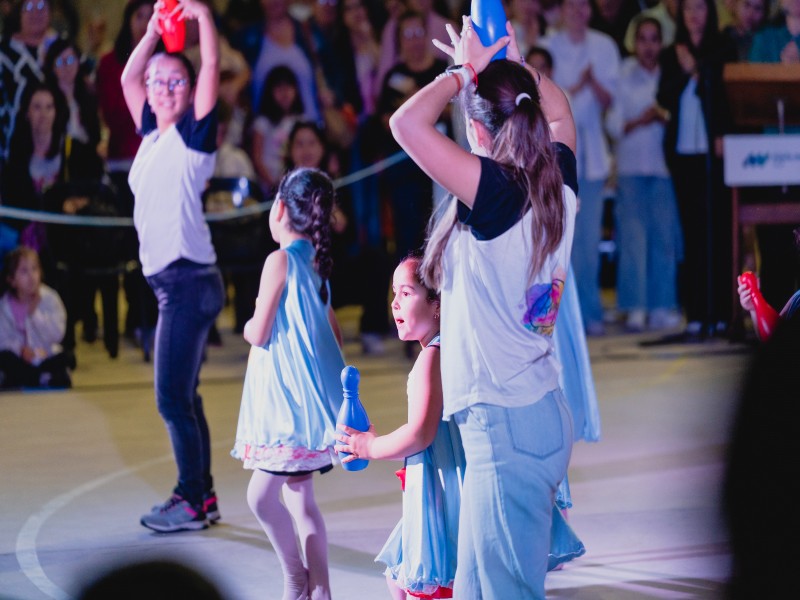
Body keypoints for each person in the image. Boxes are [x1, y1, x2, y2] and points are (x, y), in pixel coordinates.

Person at [391, 16, 578, 597]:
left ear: (476, 129)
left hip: (506, 428)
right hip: (536, 411)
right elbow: (563, 117)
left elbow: (404, 125)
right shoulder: (557, 182)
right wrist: (517, 70)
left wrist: (464, 71)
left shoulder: (497, 191)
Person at [121, 0, 226, 533]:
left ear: (188, 95)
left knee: (170, 399)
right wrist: (154, 34)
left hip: (187, 281)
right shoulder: (151, 137)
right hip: (176, 284)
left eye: (175, 83)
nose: (163, 88)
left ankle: (190, 499)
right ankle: (201, 498)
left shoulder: (192, 137)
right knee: (184, 396)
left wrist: (200, 16)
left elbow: (209, 67)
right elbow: (127, 75)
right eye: (159, 80)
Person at [231, 167, 344, 600]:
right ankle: (321, 590)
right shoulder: (317, 265)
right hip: (307, 405)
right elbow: (331, 330)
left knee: (261, 497)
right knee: (301, 501)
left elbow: (258, 333)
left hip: (285, 407)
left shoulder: (278, 262)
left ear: (279, 208)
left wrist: (245, 325)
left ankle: (296, 577)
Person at [335, 251, 462, 599]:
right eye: (394, 293)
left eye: (406, 293)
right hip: (449, 482)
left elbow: (420, 433)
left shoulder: (432, 359)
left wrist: (368, 446)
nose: (394, 304)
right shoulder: (451, 350)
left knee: (421, 578)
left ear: (436, 303)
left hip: (447, 490)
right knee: (400, 574)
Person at [657, 0, 736, 339]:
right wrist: (689, 71)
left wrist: (700, 70)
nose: (694, 14)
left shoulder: (723, 47)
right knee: (691, 233)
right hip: (683, 154)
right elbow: (663, 95)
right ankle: (696, 312)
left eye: (700, 8)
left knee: (718, 231)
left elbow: (727, 95)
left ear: (710, 12)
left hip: (714, 151)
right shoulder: (672, 52)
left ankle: (721, 311)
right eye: (688, 8)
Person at [541, 0, 620, 336]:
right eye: (570, 4)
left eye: (583, 4)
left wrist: (591, 83)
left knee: (587, 242)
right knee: (552, 242)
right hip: (549, 156)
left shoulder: (604, 45)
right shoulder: (546, 47)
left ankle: (590, 311)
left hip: (592, 156)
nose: (577, 10)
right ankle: (553, 318)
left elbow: (610, 100)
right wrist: (575, 87)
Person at [606, 17, 683, 331]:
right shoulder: (623, 74)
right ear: (633, 42)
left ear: (661, 43)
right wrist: (643, 119)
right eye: (643, 39)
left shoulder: (670, 74)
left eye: (654, 39)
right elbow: (613, 125)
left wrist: (663, 119)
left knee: (664, 240)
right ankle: (635, 306)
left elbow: (678, 116)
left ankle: (662, 305)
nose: (648, 46)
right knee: (634, 241)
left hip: (664, 169)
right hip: (632, 168)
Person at [0, 244, 70, 389]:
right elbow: (3, 338)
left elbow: (57, 333)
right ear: (11, 280)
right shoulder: (5, 305)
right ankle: (36, 377)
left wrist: (35, 314)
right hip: (21, 357)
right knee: (6, 359)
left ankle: (42, 375)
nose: (31, 276)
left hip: (46, 353)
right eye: (24, 271)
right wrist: (20, 349)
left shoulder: (50, 298)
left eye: (35, 269)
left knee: (65, 358)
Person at [251, 65, 306, 194]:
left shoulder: (302, 121)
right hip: (269, 188)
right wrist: (273, 185)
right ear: (270, 92)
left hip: (296, 186)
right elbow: (257, 157)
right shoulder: (262, 122)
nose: (285, 93)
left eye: (289, 87)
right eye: (279, 88)